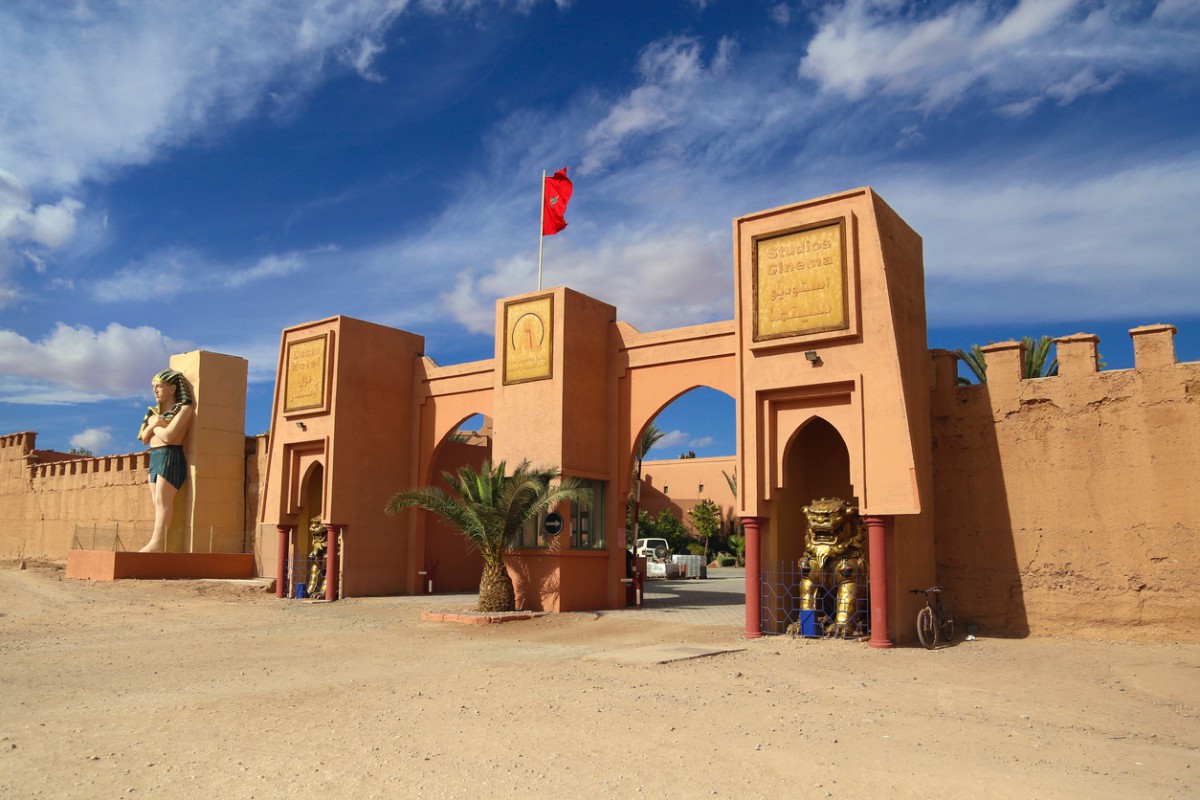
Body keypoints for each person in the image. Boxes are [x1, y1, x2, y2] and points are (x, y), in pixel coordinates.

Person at [137, 369, 194, 553]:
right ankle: (157, 541)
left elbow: (169, 437)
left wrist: (156, 427)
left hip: (170, 455)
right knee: (156, 500)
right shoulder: (154, 414)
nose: (155, 391)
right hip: (155, 456)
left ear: (172, 389)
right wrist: (154, 424)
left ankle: (157, 543)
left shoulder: (184, 409)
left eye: (159, 386)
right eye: (153, 387)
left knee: (163, 499)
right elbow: (144, 438)